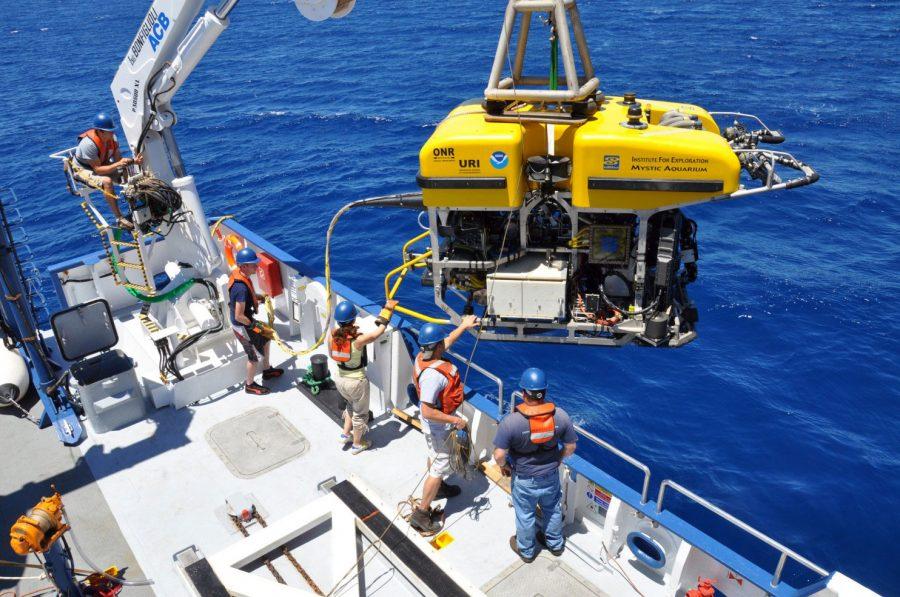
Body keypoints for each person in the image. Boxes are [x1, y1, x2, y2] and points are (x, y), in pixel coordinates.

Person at [493, 367, 577, 563]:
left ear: (523, 393)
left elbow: (498, 455)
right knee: (553, 509)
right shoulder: (561, 416)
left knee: (525, 515)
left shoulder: (511, 422)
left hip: (524, 479)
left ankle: (527, 551)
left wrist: (504, 466)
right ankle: (555, 545)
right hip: (550, 476)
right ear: (544, 392)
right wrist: (558, 460)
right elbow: (571, 446)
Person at [409, 316, 479, 534]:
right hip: (438, 424)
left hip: (436, 424)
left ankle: (438, 490)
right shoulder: (433, 377)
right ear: (436, 347)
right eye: (441, 343)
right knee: (439, 466)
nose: (444, 344)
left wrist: (464, 327)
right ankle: (421, 514)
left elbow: (447, 341)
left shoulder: (424, 356)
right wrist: (455, 420)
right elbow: (427, 410)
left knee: (435, 456)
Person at [328, 299, 398, 455]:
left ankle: (345, 434)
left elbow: (332, 355)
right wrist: (388, 310)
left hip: (339, 379)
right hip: (356, 382)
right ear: (353, 320)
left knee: (349, 406)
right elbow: (378, 332)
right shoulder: (358, 341)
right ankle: (357, 444)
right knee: (360, 414)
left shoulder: (331, 337)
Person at [70, 113, 144, 230]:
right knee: (107, 181)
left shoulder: (112, 139)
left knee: (128, 173)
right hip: (83, 170)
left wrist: (133, 161)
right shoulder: (89, 144)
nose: (112, 133)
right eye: (109, 131)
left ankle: (136, 202)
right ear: (100, 131)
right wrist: (118, 164)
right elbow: (98, 170)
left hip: (101, 165)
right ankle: (119, 218)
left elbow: (118, 160)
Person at [228, 247, 283, 394]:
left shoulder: (241, 276)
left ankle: (267, 370)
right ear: (244, 266)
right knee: (253, 357)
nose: (257, 266)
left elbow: (246, 298)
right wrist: (254, 326)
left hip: (247, 321)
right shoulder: (240, 288)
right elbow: (239, 315)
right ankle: (250, 385)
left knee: (266, 337)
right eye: (254, 264)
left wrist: (258, 297)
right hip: (242, 326)